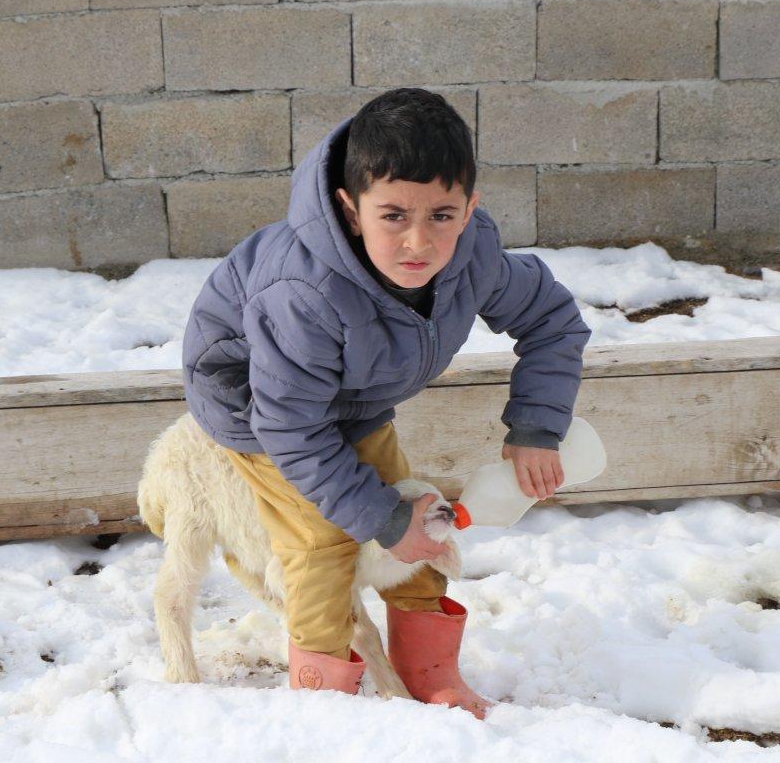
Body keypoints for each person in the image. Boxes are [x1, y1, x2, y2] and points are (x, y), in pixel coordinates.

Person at [181, 87, 591, 718]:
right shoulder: (303, 293)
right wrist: (379, 518)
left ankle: (431, 676)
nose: (419, 244)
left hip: (355, 401)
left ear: (470, 206)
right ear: (350, 210)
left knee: (424, 521)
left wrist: (537, 426)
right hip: (258, 409)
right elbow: (292, 425)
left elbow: (553, 322)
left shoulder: (474, 254)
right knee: (327, 543)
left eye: (442, 216)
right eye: (393, 216)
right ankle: (327, 703)